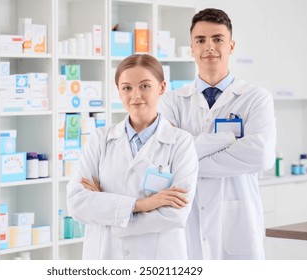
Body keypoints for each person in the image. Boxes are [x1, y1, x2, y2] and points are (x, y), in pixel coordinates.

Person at [158, 8, 276, 260]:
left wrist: (186, 160)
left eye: (217, 39)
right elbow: (163, 160)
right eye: (200, 40)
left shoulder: (255, 98)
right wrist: (227, 141)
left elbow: (261, 156)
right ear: (192, 47)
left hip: (238, 223)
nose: (209, 46)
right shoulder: (171, 102)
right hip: (186, 224)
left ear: (231, 46)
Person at [67, 54, 199, 260]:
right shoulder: (100, 139)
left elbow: (176, 214)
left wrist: (107, 209)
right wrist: (142, 205)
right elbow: (77, 203)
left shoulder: (181, 142)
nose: (135, 95)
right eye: (127, 87)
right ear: (118, 91)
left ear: (162, 88)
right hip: (105, 256)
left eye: (145, 86)